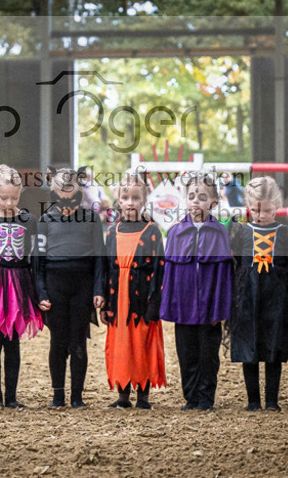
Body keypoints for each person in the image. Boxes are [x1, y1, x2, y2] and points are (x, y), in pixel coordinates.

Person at [160, 172, 232, 410]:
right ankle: (191, 397)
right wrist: (170, 306)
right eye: (191, 196)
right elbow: (169, 275)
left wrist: (219, 310)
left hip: (210, 309)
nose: (195, 201)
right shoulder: (175, 233)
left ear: (213, 202)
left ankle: (205, 396)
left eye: (202, 197)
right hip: (184, 307)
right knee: (187, 354)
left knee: (208, 356)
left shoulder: (220, 233)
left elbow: (223, 276)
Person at [229, 176, 288, 411]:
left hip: (276, 297)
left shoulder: (286, 232)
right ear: (248, 207)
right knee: (249, 344)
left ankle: (271, 400)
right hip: (248, 296)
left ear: (276, 207)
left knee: (273, 344)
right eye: (255, 210)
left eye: (267, 210)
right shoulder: (241, 231)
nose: (261, 215)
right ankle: (253, 401)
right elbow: (237, 263)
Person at [36, 167, 106, 408]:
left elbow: (100, 257)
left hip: (82, 285)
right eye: (60, 198)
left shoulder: (91, 219)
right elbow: (38, 261)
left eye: (73, 197)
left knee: (78, 340)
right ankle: (58, 395)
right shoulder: (45, 221)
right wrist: (41, 292)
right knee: (58, 341)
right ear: (53, 194)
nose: (67, 204)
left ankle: (77, 396)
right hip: (55, 286)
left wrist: (99, 289)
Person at [0, 165, 43, 408]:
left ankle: (12, 397)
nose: (9, 202)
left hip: (18, 283)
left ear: (21, 193)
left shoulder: (28, 220)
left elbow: (34, 256)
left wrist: (38, 292)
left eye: (14, 197)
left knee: (13, 341)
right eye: (3, 197)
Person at [102, 172, 166, 409]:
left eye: (136, 198)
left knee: (141, 344)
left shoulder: (152, 232)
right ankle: (122, 396)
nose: (130, 202)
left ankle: (143, 396)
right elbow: (107, 268)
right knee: (121, 345)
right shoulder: (112, 232)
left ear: (144, 201)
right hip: (118, 299)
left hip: (141, 300)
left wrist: (154, 304)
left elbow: (160, 270)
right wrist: (107, 304)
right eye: (126, 197)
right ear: (119, 200)